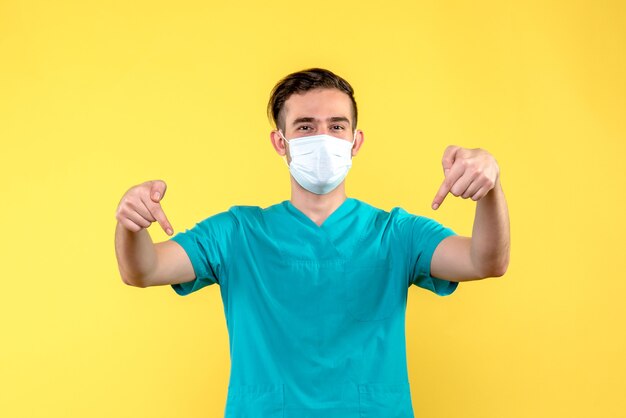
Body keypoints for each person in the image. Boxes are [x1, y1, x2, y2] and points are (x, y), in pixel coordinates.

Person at [114, 68, 510, 418]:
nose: (323, 137)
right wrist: (131, 224)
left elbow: (485, 260)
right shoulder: (236, 234)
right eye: (305, 126)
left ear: (355, 141)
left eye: (337, 126)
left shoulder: (396, 234)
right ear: (280, 141)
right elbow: (143, 269)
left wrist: (490, 187)